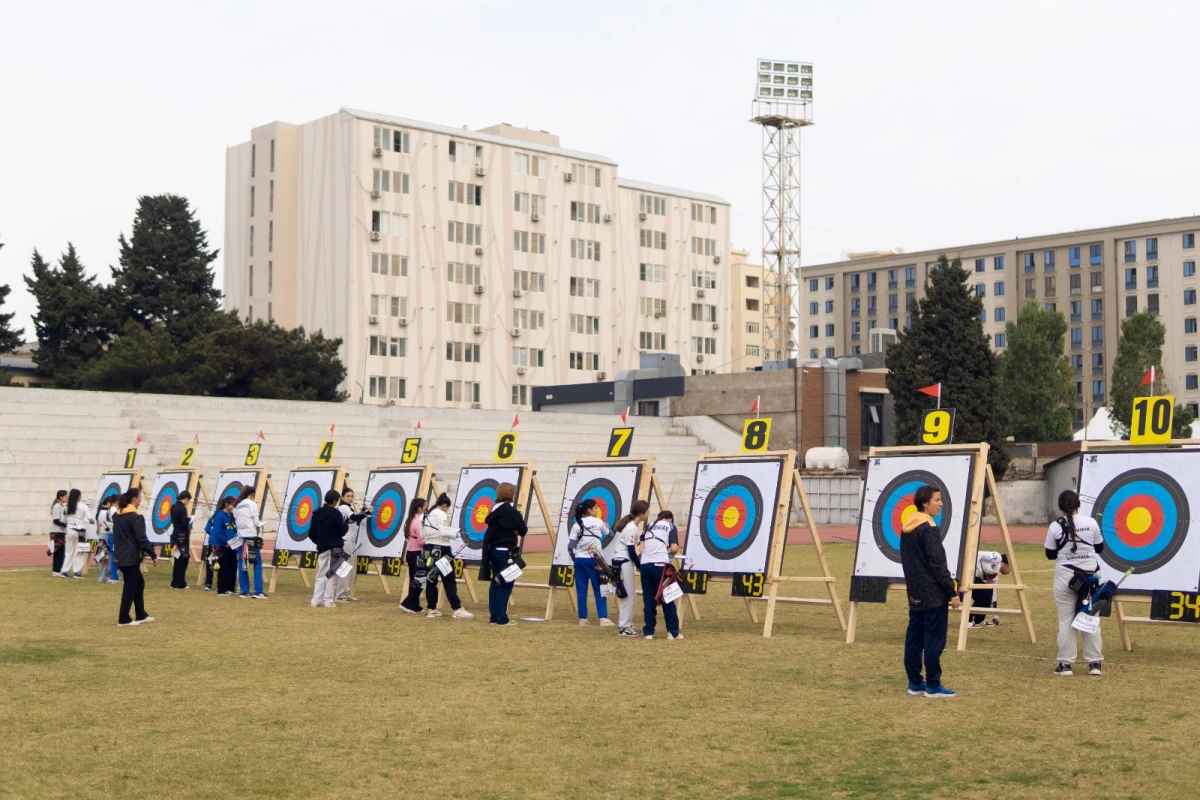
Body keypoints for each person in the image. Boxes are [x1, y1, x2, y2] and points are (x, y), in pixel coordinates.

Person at [900, 485, 960, 698]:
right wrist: (951, 591)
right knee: (934, 640)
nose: (941, 504)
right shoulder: (928, 528)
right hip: (933, 594)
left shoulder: (907, 527)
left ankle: (915, 682)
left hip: (914, 592)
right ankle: (933, 686)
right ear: (925, 503)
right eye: (937, 500)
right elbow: (937, 563)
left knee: (914, 638)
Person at [1045, 490, 1105, 677]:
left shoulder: (1055, 526)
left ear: (1061, 507)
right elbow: (1100, 548)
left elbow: (1050, 554)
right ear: (1078, 504)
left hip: (1066, 576)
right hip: (1091, 577)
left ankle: (1065, 665)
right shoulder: (1091, 522)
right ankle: (1094, 664)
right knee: (1091, 617)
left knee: (1066, 621)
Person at [480, 483, 527, 626]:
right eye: (513, 492)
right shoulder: (509, 510)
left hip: (493, 550)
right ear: (509, 494)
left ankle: (494, 617)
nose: (514, 495)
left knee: (496, 582)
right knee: (505, 583)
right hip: (505, 552)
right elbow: (523, 529)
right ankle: (501, 618)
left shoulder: (494, 509)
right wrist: (515, 530)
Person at [422, 493, 471, 619]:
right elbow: (443, 532)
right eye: (447, 508)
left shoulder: (426, 514)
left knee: (431, 579)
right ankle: (457, 609)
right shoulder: (441, 514)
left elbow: (422, 533)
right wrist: (456, 534)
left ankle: (432, 609)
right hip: (442, 549)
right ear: (444, 506)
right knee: (449, 580)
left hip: (429, 548)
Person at [112, 487, 157, 627]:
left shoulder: (117, 515)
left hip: (120, 554)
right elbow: (141, 537)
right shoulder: (134, 516)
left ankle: (140, 614)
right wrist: (152, 553)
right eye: (139, 497)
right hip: (130, 556)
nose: (141, 500)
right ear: (134, 499)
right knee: (130, 586)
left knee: (139, 583)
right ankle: (124, 618)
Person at [567, 498, 615, 627]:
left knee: (581, 589)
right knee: (600, 587)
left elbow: (570, 545)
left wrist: (575, 557)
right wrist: (608, 527)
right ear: (589, 510)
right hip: (595, 560)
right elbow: (610, 534)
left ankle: (583, 619)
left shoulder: (577, 524)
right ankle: (603, 618)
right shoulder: (599, 522)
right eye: (595, 508)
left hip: (579, 560)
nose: (597, 510)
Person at [639, 510, 681, 640]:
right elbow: (674, 548)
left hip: (645, 565)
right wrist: (670, 555)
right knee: (667, 596)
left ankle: (649, 632)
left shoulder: (648, 526)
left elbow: (641, 549)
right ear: (669, 519)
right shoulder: (670, 526)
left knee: (648, 598)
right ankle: (673, 632)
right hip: (661, 565)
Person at [613, 500, 649, 637]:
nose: (648, 514)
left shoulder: (631, 526)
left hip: (623, 561)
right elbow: (631, 550)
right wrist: (639, 565)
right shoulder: (632, 528)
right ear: (641, 513)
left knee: (629, 595)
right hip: (624, 562)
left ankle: (626, 624)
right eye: (647, 512)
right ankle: (624, 626)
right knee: (628, 596)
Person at [309, 490, 349, 609]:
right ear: (335, 501)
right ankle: (328, 601)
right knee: (332, 574)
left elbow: (312, 533)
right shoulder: (336, 514)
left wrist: (320, 541)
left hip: (322, 548)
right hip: (335, 549)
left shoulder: (316, 513)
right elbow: (342, 531)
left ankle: (315, 601)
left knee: (321, 574)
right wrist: (345, 523)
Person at [336, 487, 371, 602]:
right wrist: (368, 512)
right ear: (342, 497)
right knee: (345, 568)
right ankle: (341, 594)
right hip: (346, 542)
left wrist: (364, 511)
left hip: (349, 542)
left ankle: (345, 593)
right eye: (348, 496)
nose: (351, 498)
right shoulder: (343, 507)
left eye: (352, 496)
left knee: (349, 568)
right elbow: (354, 518)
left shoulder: (348, 508)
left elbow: (355, 520)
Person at [233, 486, 268, 599]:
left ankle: (244, 591)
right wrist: (261, 524)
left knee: (242, 564)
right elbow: (256, 522)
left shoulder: (237, 505)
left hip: (240, 537)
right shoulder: (252, 504)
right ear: (252, 494)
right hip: (250, 537)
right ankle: (258, 591)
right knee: (257, 563)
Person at [399, 497, 429, 614]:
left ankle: (415, 605)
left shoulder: (409, 520)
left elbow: (407, 538)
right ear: (419, 508)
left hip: (411, 552)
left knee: (414, 579)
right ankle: (407, 604)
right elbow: (421, 541)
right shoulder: (418, 522)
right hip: (418, 554)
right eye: (425, 507)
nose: (426, 510)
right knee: (420, 580)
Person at [969, 552, 1011, 627]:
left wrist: (995, 616)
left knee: (987, 594)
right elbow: (978, 554)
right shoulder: (997, 557)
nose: (1010, 572)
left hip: (975, 579)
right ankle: (969, 620)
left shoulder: (994, 577)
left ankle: (978, 620)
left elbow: (993, 596)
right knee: (984, 595)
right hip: (969, 574)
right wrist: (974, 569)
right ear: (1008, 565)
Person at [208, 496, 239, 596]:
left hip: (232, 545)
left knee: (232, 566)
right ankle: (221, 589)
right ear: (226, 504)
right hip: (223, 545)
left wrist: (235, 536)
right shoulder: (220, 515)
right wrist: (226, 541)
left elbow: (232, 527)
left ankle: (230, 587)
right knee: (224, 567)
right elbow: (217, 532)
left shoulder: (230, 515)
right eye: (232, 504)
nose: (234, 506)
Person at [60, 489, 94, 579]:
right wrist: (92, 521)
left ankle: (64, 571)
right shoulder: (83, 506)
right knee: (80, 552)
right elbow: (90, 517)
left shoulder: (66, 506)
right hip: (81, 531)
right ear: (79, 496)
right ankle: (77, 572)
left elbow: (64, 519)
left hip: (70, 530)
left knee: (69, 552)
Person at [169, 490, 194, 590]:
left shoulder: (173, 506)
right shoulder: (182, 508)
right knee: (183, 559)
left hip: (175, 534)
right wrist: (189, 519)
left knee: (177, 558)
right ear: (186, 499)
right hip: (182, 535)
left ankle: (175, 582)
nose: (188, 503)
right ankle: (180, 583)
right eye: (188, 500)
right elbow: (184, 522)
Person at [96, 496, 118, 584]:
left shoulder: (100, 511)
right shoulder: (106, 512)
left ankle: (103, 576)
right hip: (105, 535)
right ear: (109, 503)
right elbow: (108, 524)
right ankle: (103, 576)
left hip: (101, 535)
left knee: (103, 557)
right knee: (105, 557)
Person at [49, 490, 68, 575]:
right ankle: (56, 570)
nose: (67, 498)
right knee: (59, 551)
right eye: (66, 496)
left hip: (60, 531)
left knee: (60, 551)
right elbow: (56, 520)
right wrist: (66, 525)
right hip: (57, 532)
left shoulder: (62, 507)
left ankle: (57, 569)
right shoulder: (57, 507)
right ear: (61, 497)